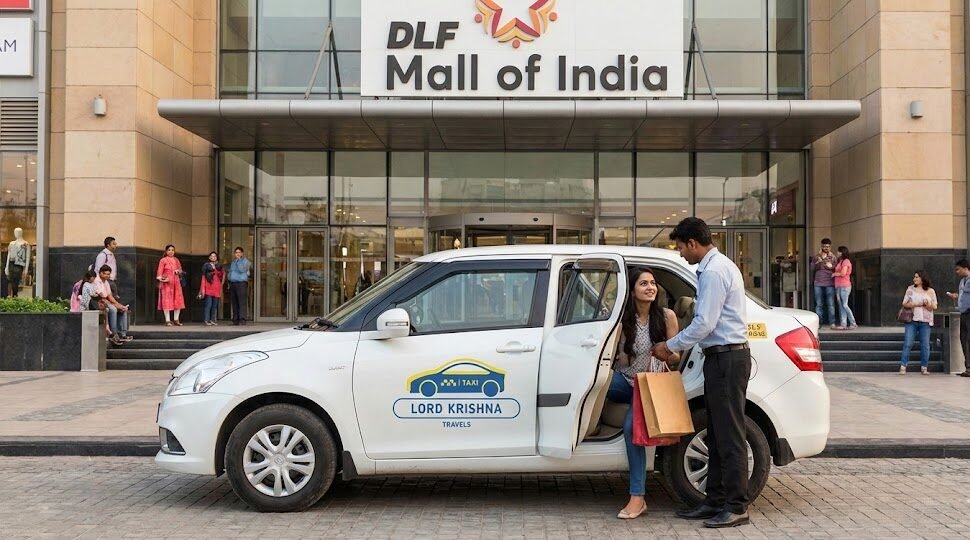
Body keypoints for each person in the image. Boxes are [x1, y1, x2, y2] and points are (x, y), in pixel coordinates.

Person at [650, 217, 751, 529]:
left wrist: (670, 345)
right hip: (720, 359)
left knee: (730, 436)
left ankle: (736, 506)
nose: (680, 253)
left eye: (680, 247)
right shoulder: (712, 268)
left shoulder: (714, 271)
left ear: (693, 243)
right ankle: (714, 501)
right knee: (717, 434)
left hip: (727, 360)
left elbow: (705, 323)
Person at [606, 267, 679, 520]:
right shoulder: (621, 319)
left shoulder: (667, 316)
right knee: (594, 381)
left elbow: (677, 354)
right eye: (643, 284)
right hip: (624, 382)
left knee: (630, 428)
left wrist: (666, 349)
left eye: (653, 283)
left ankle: (637, 497)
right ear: (632, 290)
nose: (650, 287)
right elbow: (612, 357)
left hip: (649, 387)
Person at [898, 271, 937, 375]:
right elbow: (904, 303)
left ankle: (924, 367)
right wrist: (915, 304)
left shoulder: (930, 291)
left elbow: (935, 306)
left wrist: (927, 304)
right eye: (914, 277)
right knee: (908, 343)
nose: (914, 279)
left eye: (917, 277)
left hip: (925, 321)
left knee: (925, 345)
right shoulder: (910, 289)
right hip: (912, 320)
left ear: (922, 278)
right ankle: (903, 366)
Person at [95, 265, 131, 345]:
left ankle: (122, 334)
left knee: (123, 309)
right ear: (100, 273)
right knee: (113, 309)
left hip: (106, 301)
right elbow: (101, 298)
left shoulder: (106, 282)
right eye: (105, 274)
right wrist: (115, 306)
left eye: (108, 274)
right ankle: (114, 334)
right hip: (99, 302)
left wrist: (119, 305)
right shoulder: (96, 281)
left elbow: (110, 296)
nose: (107, 276)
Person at [946, 259, 970, 377]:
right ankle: (968, 367)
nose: (957, 271)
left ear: (965, 268)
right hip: (964, 313)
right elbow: (964, 294)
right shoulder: (962, 281)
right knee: (964, 339)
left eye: (958, 269)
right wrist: (956, 296)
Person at [156, 244, 186, 326]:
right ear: (166, 251)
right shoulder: (163, 260)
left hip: (176, 283)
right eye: (169, 250)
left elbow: (180, 270)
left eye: (172, 250)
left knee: (178, 301)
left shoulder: (176, 260)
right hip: (167, 283)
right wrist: (162, 278)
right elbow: (159, 272)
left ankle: (176, 320)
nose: (171, 251)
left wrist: (178, 271)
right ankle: (168, 320)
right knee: (167, 301)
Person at [811, 238, 837, 328]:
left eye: (828, 246)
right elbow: (812, 269)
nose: (826, 248)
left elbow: (835, 269)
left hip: (830, 283)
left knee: (831, 304)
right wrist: (818, 262)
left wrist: (825, 262)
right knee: (819, 304)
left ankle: (832, 323)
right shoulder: (816, 257)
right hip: (818, 283)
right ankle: (819, 323)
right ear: (821, 246)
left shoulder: (833, 257)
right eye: (824, 246)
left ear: (830, 247)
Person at [832, 246, 857, 330]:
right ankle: (843, 324)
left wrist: (835, 274)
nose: (837, 253)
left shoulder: (846, 261)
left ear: (842, 252)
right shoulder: (841, 261)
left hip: (844, 286)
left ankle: (853, 323)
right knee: (841, 306)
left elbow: (843, 273)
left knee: (844, 305)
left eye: (839, 252)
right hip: (839, 286)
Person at [198, 251, 225, 326]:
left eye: (215, 256)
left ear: (217, 257)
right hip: (208, 287)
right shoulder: (206, 265)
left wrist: (215, 269)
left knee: (214, 305)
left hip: (216, 288)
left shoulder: (219, 266)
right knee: (208, 304)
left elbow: (222, 275)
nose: (213, 257)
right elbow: (203, 276)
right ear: (209, 257)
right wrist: (202, 288)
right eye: (212, 256)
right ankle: (207, 319)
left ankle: (213, 320)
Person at [228, 246, 251, 326]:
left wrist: (239, 261)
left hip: (241, 283)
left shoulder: (246, 262)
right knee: (234, 302)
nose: (237, 254)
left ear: (242, 253)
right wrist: (229, 278)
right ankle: (235, 319)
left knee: (242, 302)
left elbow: (242, 270)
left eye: (239, 252)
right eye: (236, 252)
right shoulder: (233, 262)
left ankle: (242, 319)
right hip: (233, 283)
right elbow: (231, 271)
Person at [5, 227, 30, 298]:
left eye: (17, 232)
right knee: (12, 281)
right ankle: (14, 296)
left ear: (21, 233)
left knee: (16, 281)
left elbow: (27, 257)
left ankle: (15, 296)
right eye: (15, 232)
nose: (16, 234)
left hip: (19, 265)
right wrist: (6, 267)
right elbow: (9, 255)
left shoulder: (25, 244)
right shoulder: (12, 243)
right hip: (11, 264)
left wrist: (26, 269)